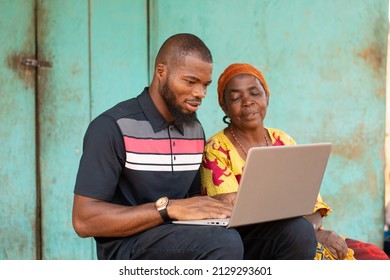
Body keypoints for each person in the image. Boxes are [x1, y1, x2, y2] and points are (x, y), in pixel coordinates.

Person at [72, 33, 317, 260]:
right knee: (222, 242)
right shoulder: (112, 127)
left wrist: (227, 201)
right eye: (190, 81)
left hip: (185, 234)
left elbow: (191, 200)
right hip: (128, 246)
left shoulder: (192, 129)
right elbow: (84, 220)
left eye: (205, 85)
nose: (199, 93)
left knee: (296, 232)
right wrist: (168, 209)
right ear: (161, 72)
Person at [200, 62, 389, 260]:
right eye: (236, 97)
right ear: (224, 106)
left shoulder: (283, 140)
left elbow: (311, 201)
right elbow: (229, 213)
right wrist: (309, 233)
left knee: (375, 258)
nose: (247, 101)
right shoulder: (216, 149)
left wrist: (314, 231)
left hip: (302, 232)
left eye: (255, 93)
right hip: (254, 242)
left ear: (267, 96)